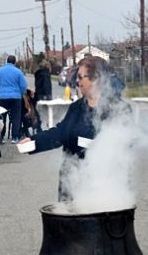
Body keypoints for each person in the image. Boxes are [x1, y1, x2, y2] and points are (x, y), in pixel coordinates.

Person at [19, 56, 129, 201]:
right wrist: (33, 142)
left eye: (80, 77)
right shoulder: (77, 107)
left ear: (96, 79)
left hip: (103, 186)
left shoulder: (118, 109)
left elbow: (126, 145)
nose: (77, 81)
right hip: (71, 180)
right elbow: (60, 133)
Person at [0, 55, 27, 143]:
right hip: (16, 98)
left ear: (6, 61)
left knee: (2, 117)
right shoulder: (18, 72)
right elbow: (23, 85)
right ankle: (15, 137)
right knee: (16, 117)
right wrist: (20, 93)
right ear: (14, 62)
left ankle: (1, 136)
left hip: (3, 97)